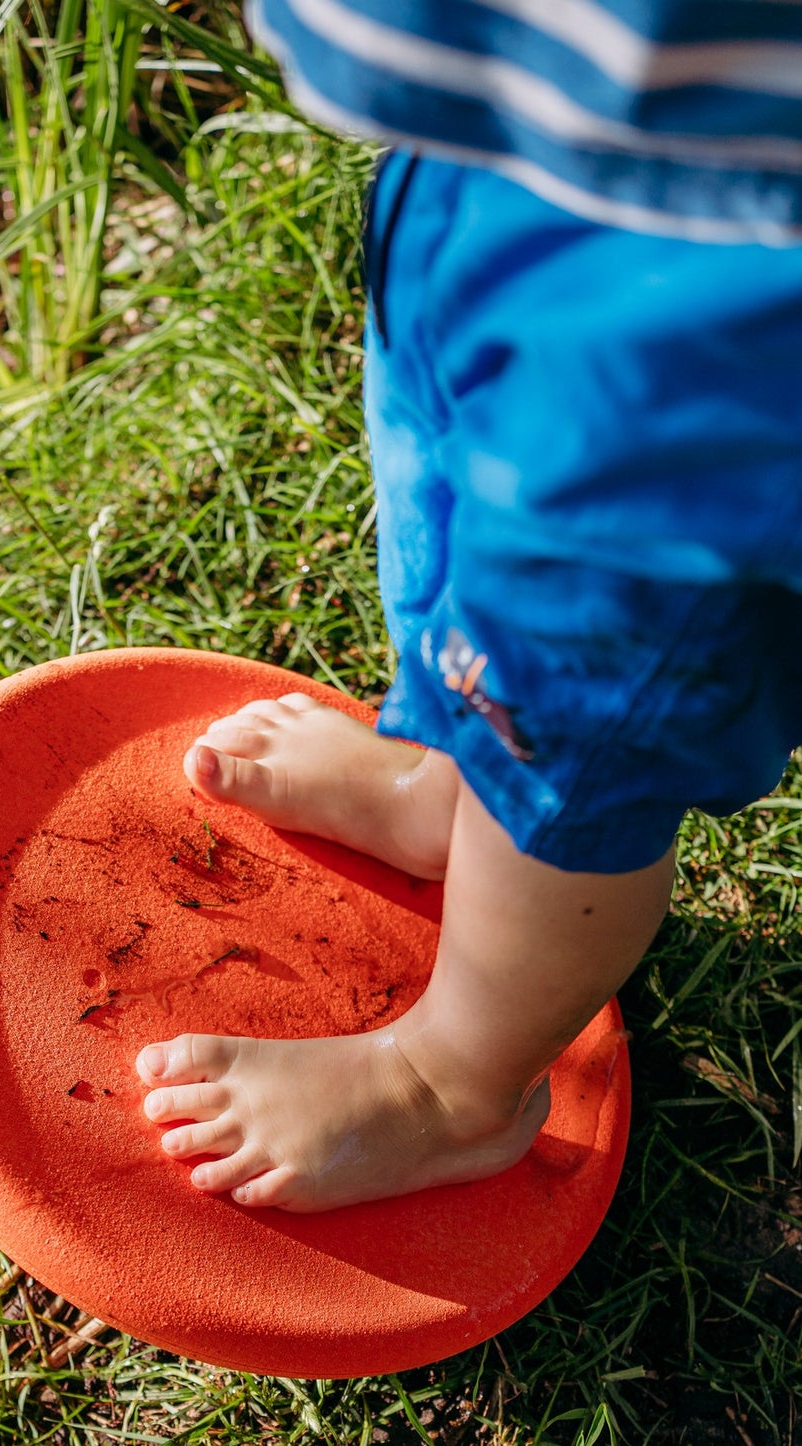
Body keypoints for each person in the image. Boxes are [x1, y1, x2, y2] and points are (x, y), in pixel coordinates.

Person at [135, 0, 802, 1213]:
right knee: (456, 531)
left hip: (710, 314)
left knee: (569, 731)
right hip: (503, 146)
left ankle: (451, 1088)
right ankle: (439, 791)